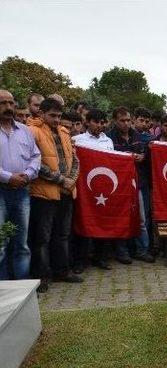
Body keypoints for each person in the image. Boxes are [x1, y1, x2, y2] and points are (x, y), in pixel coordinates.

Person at [28, 98, 82, 292]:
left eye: (59, 116)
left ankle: (62, 270)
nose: (57, 120)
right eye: (52, 115)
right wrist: (61, 180)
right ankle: (41, 276)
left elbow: (75, 159)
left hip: (66, 192)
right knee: (42, 237)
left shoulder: (65, 132)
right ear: (41, 114)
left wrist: (72, 179)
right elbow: (35, 164)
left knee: (63, 234)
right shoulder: (32, 132)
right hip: (43, 193)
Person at [0, 90, 41, 280]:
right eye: (3, 103)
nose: (8, 107)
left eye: (11, 103)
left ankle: (23, 290)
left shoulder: (24, 130)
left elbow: (36, 156)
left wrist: (27, 174)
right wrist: (8, 177)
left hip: (22, 191)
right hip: (1, 191)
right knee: (1, 244)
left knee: (21, 244)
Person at [107, 107, 154, 264]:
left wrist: (143, 157)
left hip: (139, 182)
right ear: (115, 121)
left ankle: (142, 250)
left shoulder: (140, 137)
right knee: (121, 218)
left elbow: (150, 157)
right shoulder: (108, 139)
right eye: (122, 121)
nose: (126, 124)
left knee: (141, 219)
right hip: (118, 185)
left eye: (128, 120)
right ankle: (122, 252)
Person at [70, 108, 114, 272]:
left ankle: (100, 258)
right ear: (87, 122)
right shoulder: (77, 140)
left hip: (103, 187)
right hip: (84, 188)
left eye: (102, 122)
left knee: (103, 221)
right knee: (83, 221)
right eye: (96, 122)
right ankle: (80, 261)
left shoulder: (108, 141)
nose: (99, 125)